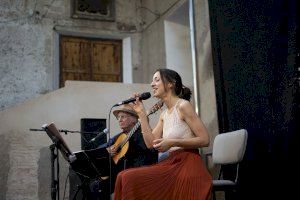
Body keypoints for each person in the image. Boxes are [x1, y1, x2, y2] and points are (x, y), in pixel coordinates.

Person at [114, 68, 212, 200]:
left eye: (157, 80)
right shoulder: (164, 115)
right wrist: (141, 114)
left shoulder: (183, 106)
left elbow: (205, 140)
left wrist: (172, 142)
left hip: (188, 163)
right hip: (170, 163)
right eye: (152, 80)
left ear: (171, 83)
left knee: (128, 178)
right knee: (122, 176)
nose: (152, 84)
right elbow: (150, 144)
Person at [91, 104, 158, 199]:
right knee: (96, 185)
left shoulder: (143, 134)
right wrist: (107, 150)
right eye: (118, 117)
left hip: (136, 173)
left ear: (134, 120)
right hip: (118, 172)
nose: (119, 120)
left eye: (123, 117)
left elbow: (152, 152)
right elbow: (100, 148)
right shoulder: (119, 136)